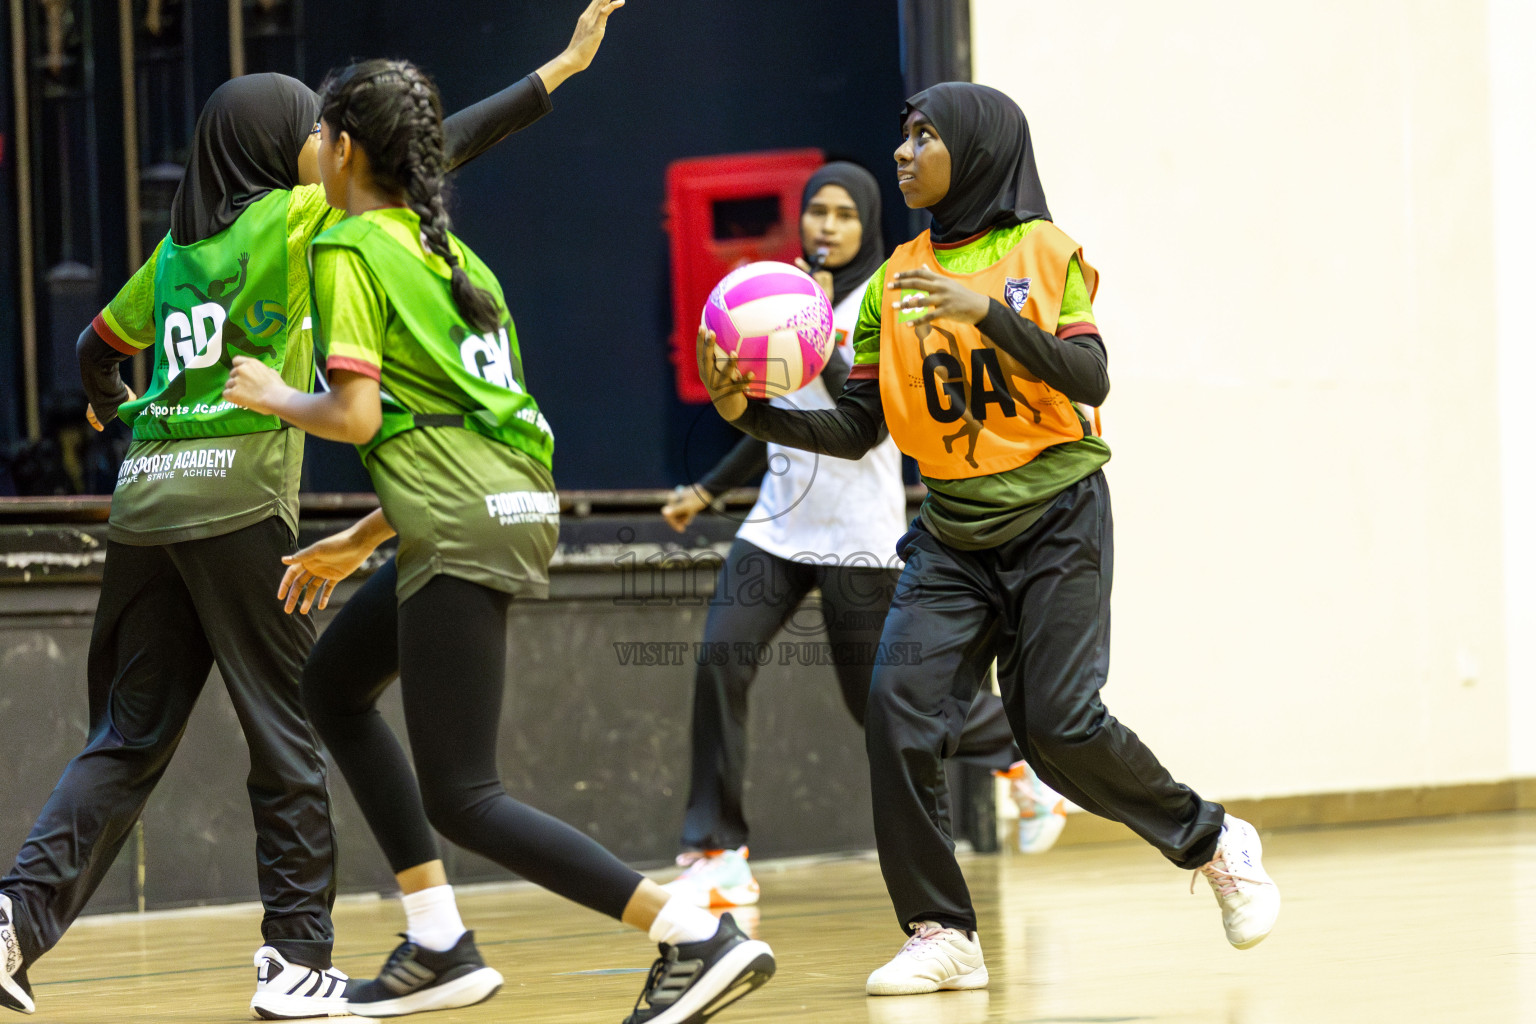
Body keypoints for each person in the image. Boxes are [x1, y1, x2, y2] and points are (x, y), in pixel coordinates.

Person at [0, 4, 622, 1018]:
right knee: (290, 729)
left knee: (125, 736)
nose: (322, 145)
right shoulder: (303, 220)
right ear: (271, 144)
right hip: (240, 506)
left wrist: (137, 417)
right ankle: (295, 958)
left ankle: (13, 923)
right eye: (305, 128)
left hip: (149, 502)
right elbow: (439, 147)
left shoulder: (171, 262)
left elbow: (91, 355)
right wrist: (554, 74)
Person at [220, 53, 776, 1022]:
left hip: (464, 522)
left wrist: (277, 396)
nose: (312, 146)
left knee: (467, 797)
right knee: (334, 686)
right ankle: (439, 941)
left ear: (345, 149)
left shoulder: (348, 250)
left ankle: (694, 931)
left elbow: (355, 417)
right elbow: (463, 430)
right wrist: (362, 539)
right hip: (505, 504)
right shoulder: (456, 258)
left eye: (320, 132)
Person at [694, 82, 1280, 997]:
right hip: (952, 535)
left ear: (977, 148)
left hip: (1058, 520)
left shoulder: (1043, 252)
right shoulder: (890, 282)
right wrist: (752, 408)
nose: (904, 151)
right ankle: (943, 931)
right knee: (897, 712)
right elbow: (856, 428)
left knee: (1057, 726)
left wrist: (987, 316)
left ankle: (1212, 840)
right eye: (903, 134)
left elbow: (1092, 374)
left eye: (924, 136)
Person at [660, 162, 1027, 909]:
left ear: (868, 225)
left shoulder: (885, 302)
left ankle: (1016, 754)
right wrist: (707, 489)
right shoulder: (781, 290)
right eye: (816, 212)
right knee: (718, 665)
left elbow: (858, 420)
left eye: (843, 215)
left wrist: (821, 326)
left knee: (879, 706)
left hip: (858, 531)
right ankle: (718, 850)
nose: (826, 226)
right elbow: (772, 408)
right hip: (777, 523)